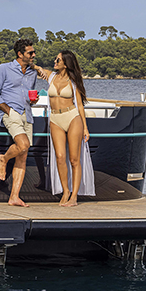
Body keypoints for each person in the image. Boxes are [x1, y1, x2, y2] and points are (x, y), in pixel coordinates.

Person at [33, 50, 95, 206]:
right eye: (55, 59)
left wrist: (85, 128)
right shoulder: (51, 77)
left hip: (72, 117)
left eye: (58, 60)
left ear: (66, 64)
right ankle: (65, 191)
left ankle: (74, 197)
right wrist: (31, 64)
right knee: (60, 157)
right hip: (55, 119)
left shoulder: (73, 81)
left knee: (74, 159)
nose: (55, 61)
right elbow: (37, 68)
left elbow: (80, 105)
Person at [0, 39, 39, 207]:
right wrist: (9, 111)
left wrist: (33, 101)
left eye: (33, 52)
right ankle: (3, 159)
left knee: (23, 154)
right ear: (20, 54)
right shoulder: (3, 69)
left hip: (27, 113)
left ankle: (14, 197)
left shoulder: (32, 73)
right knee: (23, 145)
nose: (33, 55)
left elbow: (29, 94)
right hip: (11, 113)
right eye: (30, 53)